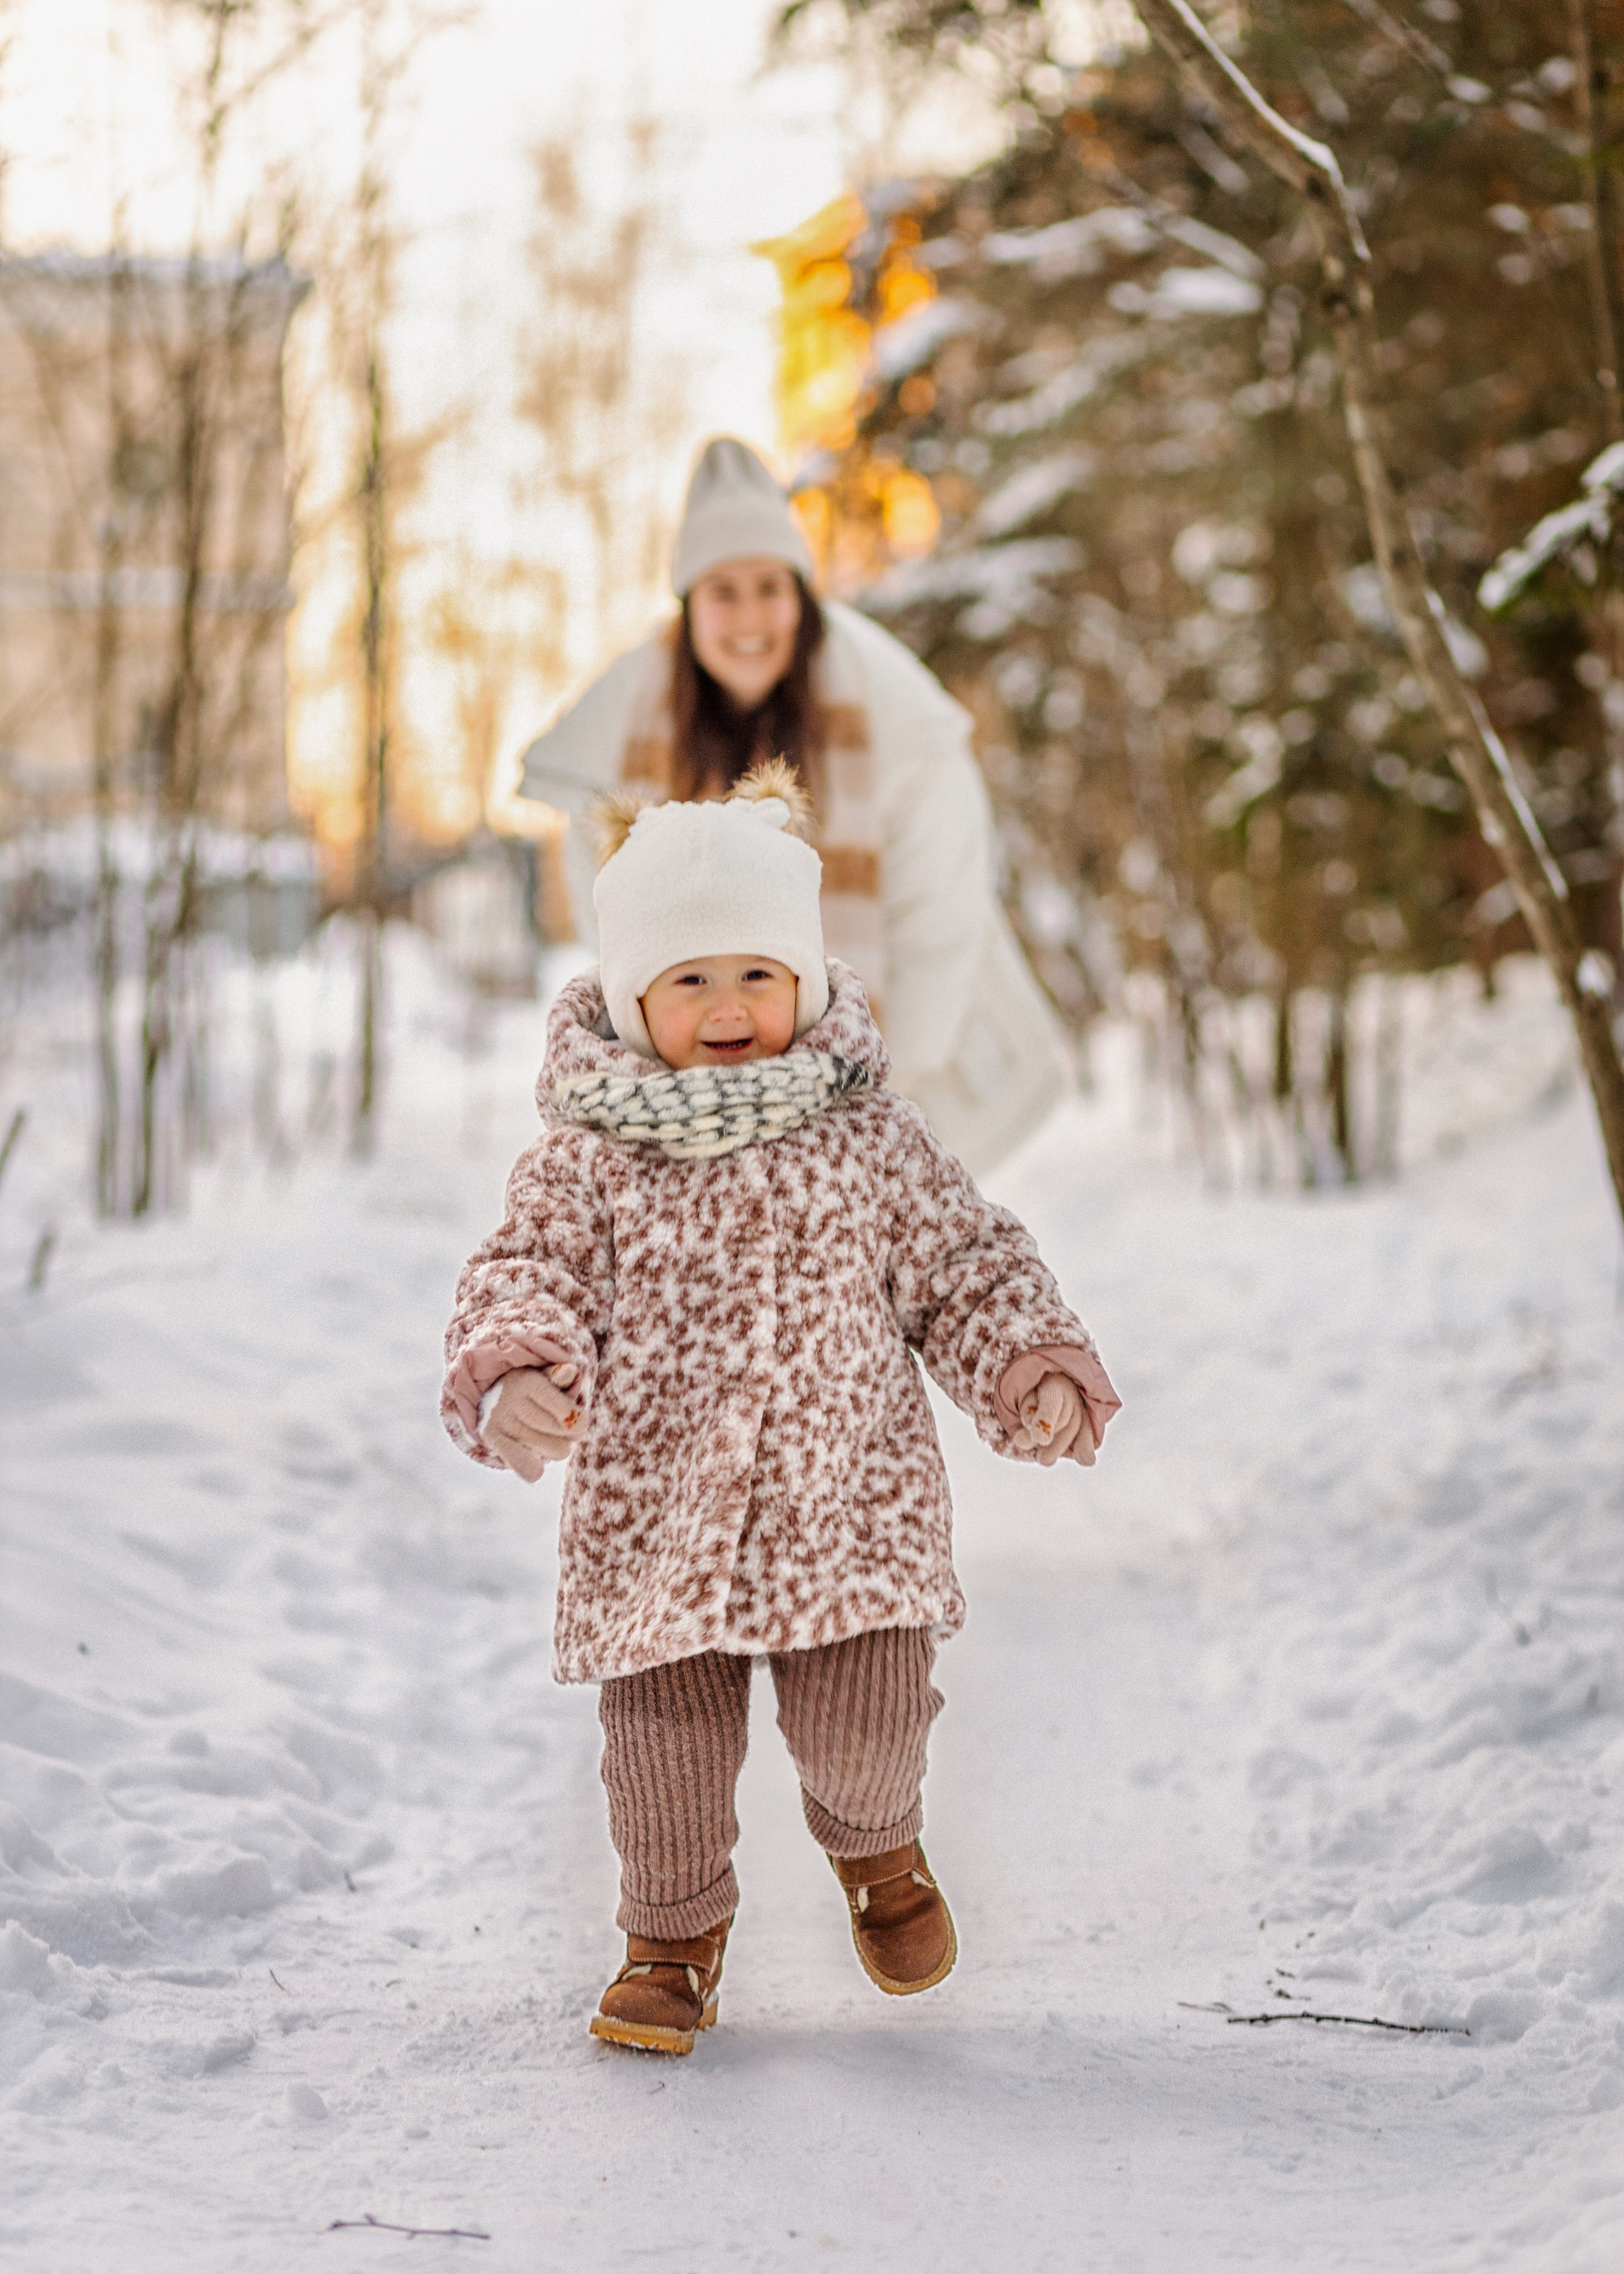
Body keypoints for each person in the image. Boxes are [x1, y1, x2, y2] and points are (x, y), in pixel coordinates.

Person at [441, 763, 1120, 2055]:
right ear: (635, 996)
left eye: (754, 972)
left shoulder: (868, 1140)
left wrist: (1023, 1361)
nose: (727, 1005)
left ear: (802, 980)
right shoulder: (588, 1158)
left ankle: (878, 1849)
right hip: (658, 1525)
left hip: (847, 1512)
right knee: (662, 1758)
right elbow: (519, 1269)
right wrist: (517, 1365)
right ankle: (668, 1940)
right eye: (687, 978)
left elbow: (963, 1265)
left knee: (864, 1731)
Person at [514, 435, 1070, 1175]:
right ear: (689, 606)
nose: (750, 618)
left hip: (879, 1074)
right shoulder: (633, 728)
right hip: (701, 1094)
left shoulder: (891, 714)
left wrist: (871, 1099)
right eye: (724, 591)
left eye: (769, 588)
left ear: (800, 596)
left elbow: (938, 918)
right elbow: (622, 935)